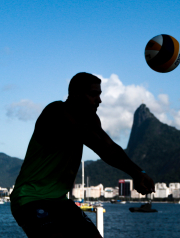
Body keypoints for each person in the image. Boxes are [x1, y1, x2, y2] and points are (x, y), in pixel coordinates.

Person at [10, 72, 155, 238]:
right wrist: (135, 173)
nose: (99, 100)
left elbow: (110, 147)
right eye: (93, 94)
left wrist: (139, 172)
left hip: (59, 200)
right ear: (76, 95)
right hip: (30, 198)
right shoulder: (56, 112)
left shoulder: (91, 119)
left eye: (99, 95)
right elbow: (99, 145)